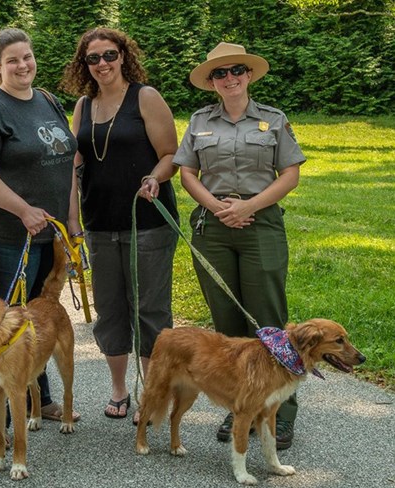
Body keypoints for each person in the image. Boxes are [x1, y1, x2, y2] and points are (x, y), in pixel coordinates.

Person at [173, 42, 306, 449]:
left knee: (267, 320)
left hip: (260, 224)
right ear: (211, 82)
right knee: (227, 325)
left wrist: (247, 206)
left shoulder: (273, 120)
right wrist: (217, 207)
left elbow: (289, 175)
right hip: (212, 227)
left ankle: (281, 414)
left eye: (236, 71)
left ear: (248, 75)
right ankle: (240, 408)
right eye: (219, 73)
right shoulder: (198, 121)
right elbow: (188, 174)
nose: (229, 78)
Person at [0, 27, 81, 450]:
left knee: (39, 319)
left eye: (27, 57)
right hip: (7, 235)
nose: (23, 65)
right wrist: (23, 210)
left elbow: (66, 163)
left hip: (49, 235)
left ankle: (40, 398)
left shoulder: (47, 101)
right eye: (12, 60)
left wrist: (72, 222)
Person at [61, 28, 179, 424]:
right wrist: (73, 218)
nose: (102, 64)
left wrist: (155, 178)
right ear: (85, 65)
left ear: (123, 56)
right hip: (98, 224)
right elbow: (75, 167)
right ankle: (119, 389)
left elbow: (170, 155)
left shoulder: (145, 97)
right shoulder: (82, 105)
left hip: (146, 222)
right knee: (110, 309)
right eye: (92, 59)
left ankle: (151, 389)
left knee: (149, 308)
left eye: (109, 55)